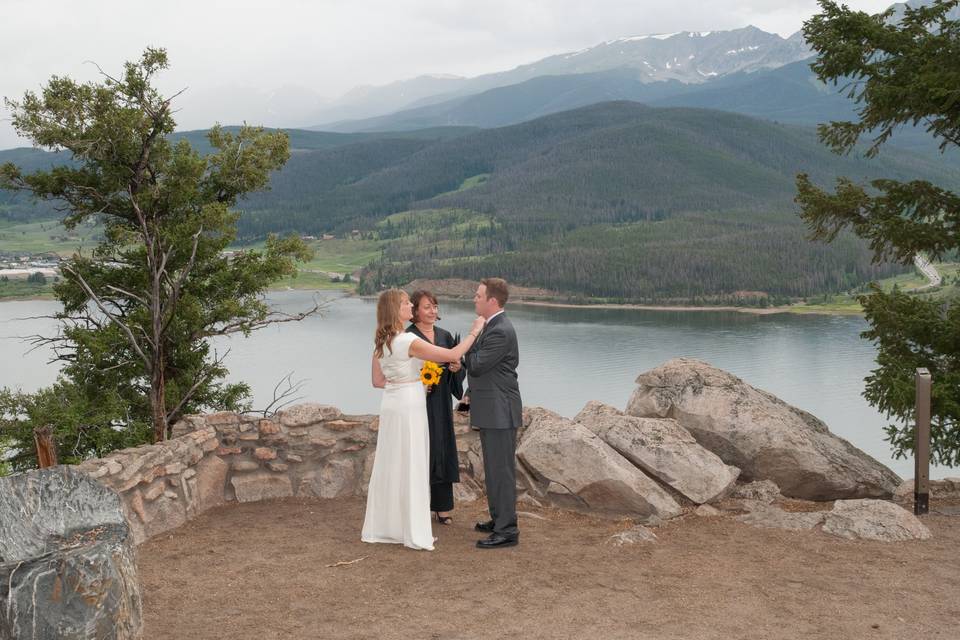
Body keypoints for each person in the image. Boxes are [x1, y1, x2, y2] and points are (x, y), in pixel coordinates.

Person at [362, 289, 484, 551]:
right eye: (406, 303)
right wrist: (475, 331)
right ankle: (412, 529)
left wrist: (404, 381)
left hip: (392, 404)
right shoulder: (407, 341)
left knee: (393, 463)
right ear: (397, 310)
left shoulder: (382, 342)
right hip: (410, 405)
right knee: (413, 463)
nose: (409, 306)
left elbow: (377, 382)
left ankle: (388, 525)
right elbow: (452, 356)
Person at [464, 278, 523, 549]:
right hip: (493, 410)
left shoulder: (499, 330)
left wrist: (472, 336)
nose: (474, 299)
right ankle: (499, 519)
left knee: (501, 471)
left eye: (478, 296)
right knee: (494, 469)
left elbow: (476, 365)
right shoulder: (494, 326)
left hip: (500, 412)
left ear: (492, 301)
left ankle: (507, 531)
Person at [406, 290, 465, 525]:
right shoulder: (409, 337)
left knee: (441, 449)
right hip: (417, 403)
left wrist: (456, 368)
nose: (433, 311)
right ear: (415, 311)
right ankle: (418, 506)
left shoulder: (445, 335)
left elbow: (458, 368)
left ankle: (442, 507)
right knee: (420, 451)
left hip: (440, 402)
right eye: (427, 307)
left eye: (435, 306)